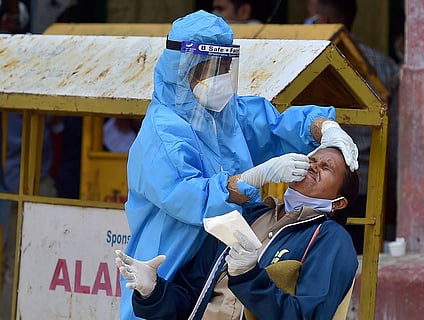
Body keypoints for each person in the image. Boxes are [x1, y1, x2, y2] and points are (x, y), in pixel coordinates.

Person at [120, 9, 343, 320]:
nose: (220, 78)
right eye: (210, 68)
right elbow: (190, 197)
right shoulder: (163, 132)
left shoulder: (226, 114)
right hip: (170, 265)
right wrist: (257, 176)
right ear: (181, 68)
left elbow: (276, 125)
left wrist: (324, 128)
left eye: (225, 67)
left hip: (219, 265)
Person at [116, 119, 359, 319]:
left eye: (327, 167)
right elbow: (191, 297)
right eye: (312, 159)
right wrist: (153, 291)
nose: (313, 166)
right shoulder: (250, 216)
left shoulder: (331, 240)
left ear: (338, 203)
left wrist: (248, 276)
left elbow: (305, 316)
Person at [305, 0, 400, 253]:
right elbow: (393, 141)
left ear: (323, 20)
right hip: (368, 185)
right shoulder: (385, 66)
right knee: (355, 261)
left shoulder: (307, 62)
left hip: (314, 185)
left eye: (311, 16)